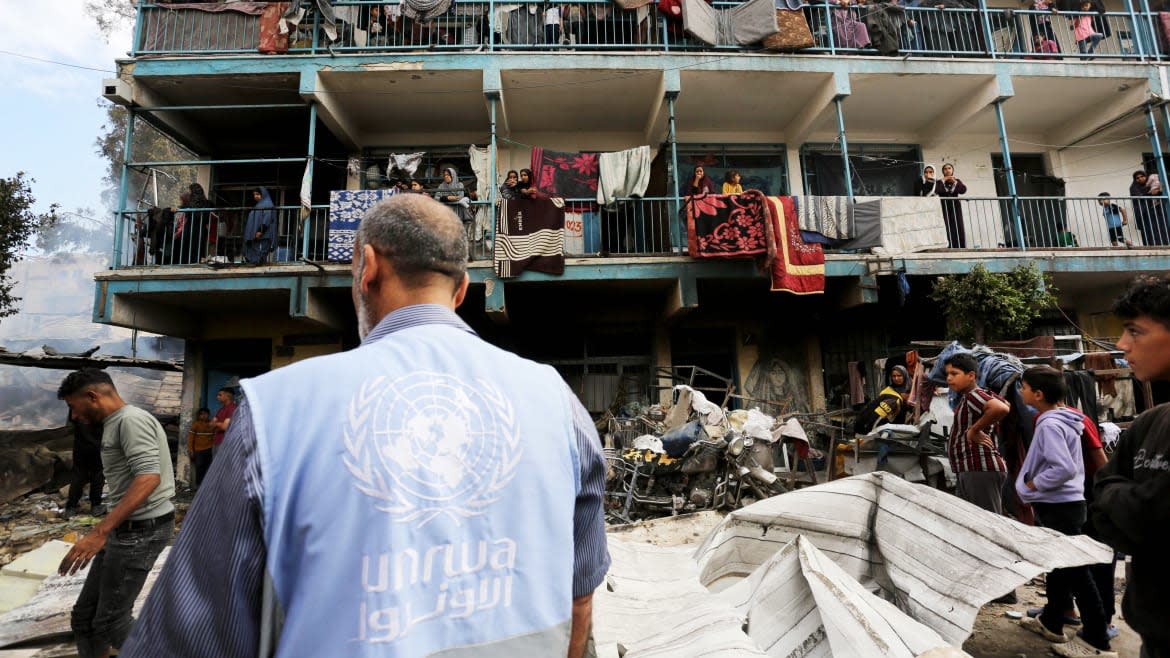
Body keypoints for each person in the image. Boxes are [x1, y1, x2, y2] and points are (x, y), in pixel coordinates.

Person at [123, 194, 610, 657]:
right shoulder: (555, 399)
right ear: (461, 290)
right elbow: (579, 601)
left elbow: (191, 637)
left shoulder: (276, 409)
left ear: (367, 268)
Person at [56, 369, 175, 658]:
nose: (73, 416)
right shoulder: (115, 422)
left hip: (142, 532)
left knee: (112, 622)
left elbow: (148, 477)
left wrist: (99, 532)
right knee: (84, 618)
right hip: (126, 528)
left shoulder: (130, 421)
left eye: (73, 406)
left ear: (92, 396)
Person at [1091, 274, 1170, 658]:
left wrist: (1128, 502)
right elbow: (1102, 503)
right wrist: (1139, 504)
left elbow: (1152, 517)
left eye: (1135, 332)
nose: (1122, 346)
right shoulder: (1149, 423)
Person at [1014, 366, 1116, 658]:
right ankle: (1051, 621)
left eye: (1023, 387)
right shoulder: (1069, 418)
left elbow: (1063, 467)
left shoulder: (1048, 424)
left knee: (1077, 570)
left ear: (1038, 394)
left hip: (1058, 504)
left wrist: (1034, 483)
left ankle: (1097, 639)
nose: (1020, 392)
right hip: (1069, 503)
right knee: (1060, 564)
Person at [944, 352, 1011, 513]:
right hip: (972, 469)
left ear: (971, 375)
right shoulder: (972, 396)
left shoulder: (974, 395)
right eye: (947, 374)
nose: (949, 379)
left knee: (988, 524)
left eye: (954, 374)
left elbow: (1001, 408)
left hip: (979, 468)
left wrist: (974, 430)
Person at [62, 411, 105, 519]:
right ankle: (95, 506)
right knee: (98, 475)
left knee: (78, 476)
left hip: (80, 448)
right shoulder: (100, 407)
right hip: (98, 448)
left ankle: (70, 508)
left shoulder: (76, 405)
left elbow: (69, 426)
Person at [1131, 169, 1170, 246]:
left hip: (1159, 212)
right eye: (1137, 178)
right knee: (1150, 232)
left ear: (1146, 176)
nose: (1140, 179)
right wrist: (1150, 193)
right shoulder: (1134, 188)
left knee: (1163, 229)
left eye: (1142, 176)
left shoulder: (1154, 184)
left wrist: (1158, 191)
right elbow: (1139, 198)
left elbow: (1162, 193)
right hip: (1145, 214)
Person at [935, 163, 968, 248]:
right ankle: (947, 247)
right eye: (945, 169)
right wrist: (943, 180)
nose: (947, 170)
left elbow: (963, 190)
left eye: (949, 168)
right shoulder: (939, 182)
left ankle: (960, 247)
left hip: (955, 207)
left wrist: (954, 182)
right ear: (943, 171)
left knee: (958, 226)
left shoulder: (957, 181)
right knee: (946, 226)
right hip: (944, 207)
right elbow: (936, 190)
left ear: (952, 170)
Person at [243, 187, 276, 265]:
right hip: (257, 236)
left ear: (263, 194)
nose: (255, 196)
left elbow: (267, 218)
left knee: (260, 254)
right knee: (256, 255)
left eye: (257, 194)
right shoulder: (259, 204)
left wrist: (260, 231)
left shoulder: (267, 204)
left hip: (263, 235)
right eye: (254, 195)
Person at [186, 407, 215, 490]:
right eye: (201, 414)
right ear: (199, 416)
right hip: (198, 450)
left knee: (209, 468)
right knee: (199, 468)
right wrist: (191, 450)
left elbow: (215, 437)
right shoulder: (196, 425)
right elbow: (191, 439)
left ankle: (208, 486)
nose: (203, 416)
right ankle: (199, 485)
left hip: (210, 450)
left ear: (208, 415)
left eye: (205, 414)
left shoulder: (211, 425)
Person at [211, 387, 235, 459]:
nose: (217, 397)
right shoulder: (221, 410)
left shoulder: (232, 408)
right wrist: (219, 424)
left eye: (220, 395)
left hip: (226, 442)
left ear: (227, 396)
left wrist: (216, 424)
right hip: (216, 441)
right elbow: (210, 425)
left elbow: (225, 427)